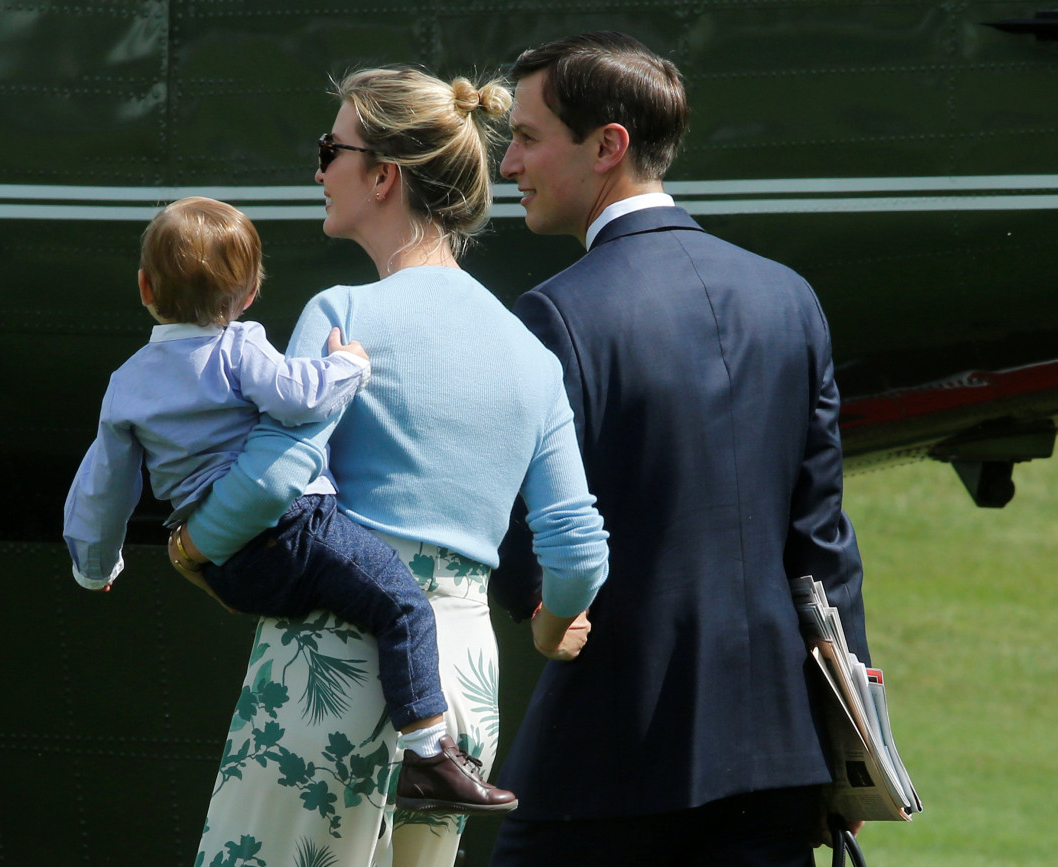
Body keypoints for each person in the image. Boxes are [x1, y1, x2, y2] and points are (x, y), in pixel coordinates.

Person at [169, 68, 609, 867]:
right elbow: (576, 551)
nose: (319, 171)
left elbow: (277, 476)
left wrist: (195, 545)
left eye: (329, 150)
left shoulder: (343, 314)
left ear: (383, 177)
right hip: (464, 679)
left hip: (335, 665)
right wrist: (551, 628)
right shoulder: (530, 355)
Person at [488, 32, 872, 867]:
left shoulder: (558, 315)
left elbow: (524, 527)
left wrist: (533, 603)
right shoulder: (788, 298)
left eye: (525, 137)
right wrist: (854, 737)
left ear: (607, 146)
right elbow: (822, 542)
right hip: (779, 759)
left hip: (608, 757)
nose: (508, 164)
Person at [62, 195, 516, 815]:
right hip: (295, 532)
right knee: (404, 607)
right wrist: (348, 367)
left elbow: (103, 486)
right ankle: (428, 757)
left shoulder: (127, 383)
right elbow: (296, 398)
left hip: (230, 570)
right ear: (250, 295)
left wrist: (95, 567)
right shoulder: (238, 346)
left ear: (144, 287)